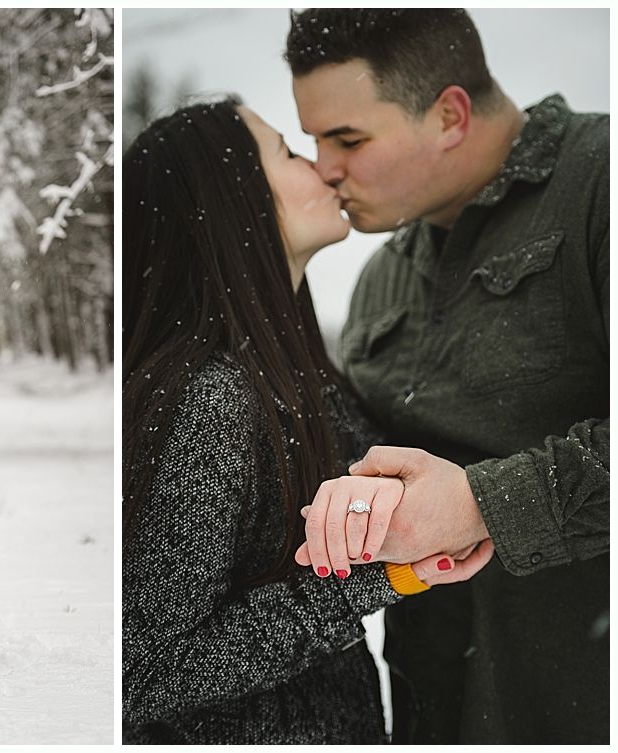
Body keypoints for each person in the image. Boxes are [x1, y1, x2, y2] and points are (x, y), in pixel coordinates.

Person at [121, 99, 493, 745]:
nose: (323, 167)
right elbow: (147, 670)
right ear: (233, 197)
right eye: (289, 153)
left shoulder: (302, 376)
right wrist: (388, 575)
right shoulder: (212, 399)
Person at [284, 9, 609, 744]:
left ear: (450, 114)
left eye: (348, 138)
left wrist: (481, 504)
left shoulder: (602, 184)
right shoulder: (378, 280)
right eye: (311, 141)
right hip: (431, 710)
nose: (325, 167)